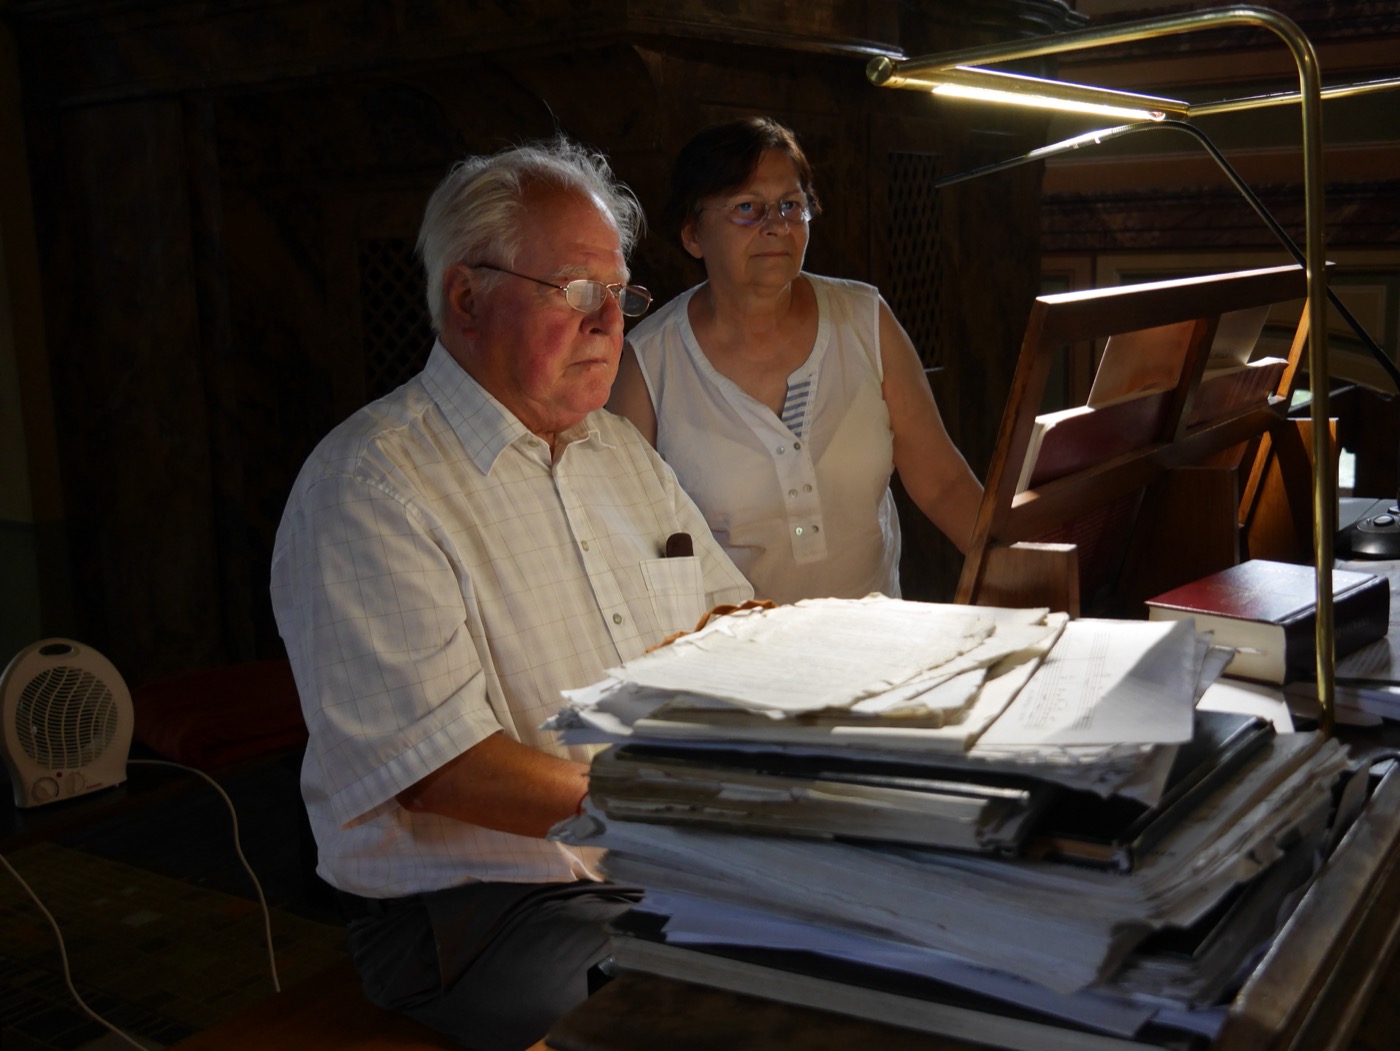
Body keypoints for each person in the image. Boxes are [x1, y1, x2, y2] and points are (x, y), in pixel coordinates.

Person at [270, 136, 752, 1051]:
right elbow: (447, 769)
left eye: (620, 294)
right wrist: (677, 809)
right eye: (577, 291)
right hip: (484, 908)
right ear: (467, 298)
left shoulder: (619, 452)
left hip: (646, 853)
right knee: (728, 1019)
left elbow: (730, 627)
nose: (608, 322)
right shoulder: (369, 484)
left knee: (893, 950)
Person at [608, 116, 983, 605]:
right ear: (692, 234)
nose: (776, 226)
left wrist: (1028, 566)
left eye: (791, 205)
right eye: (747, 207)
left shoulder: (863, 319)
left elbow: (944, 484)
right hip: (731, 646)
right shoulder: (649, 363)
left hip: (874, 636)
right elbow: (630, 541)